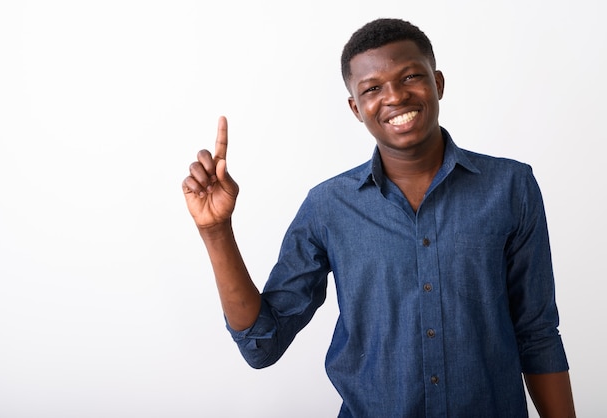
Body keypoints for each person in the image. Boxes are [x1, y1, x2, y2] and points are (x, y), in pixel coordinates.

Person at [182, 18, 575, 417]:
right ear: (356, 108)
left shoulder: (510, 187)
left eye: (410, 77)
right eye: (372, 88)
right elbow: (261, 345)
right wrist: (216, 231)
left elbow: (537, 334)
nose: (395, 97)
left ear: (437, 84)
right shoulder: (327, 207)